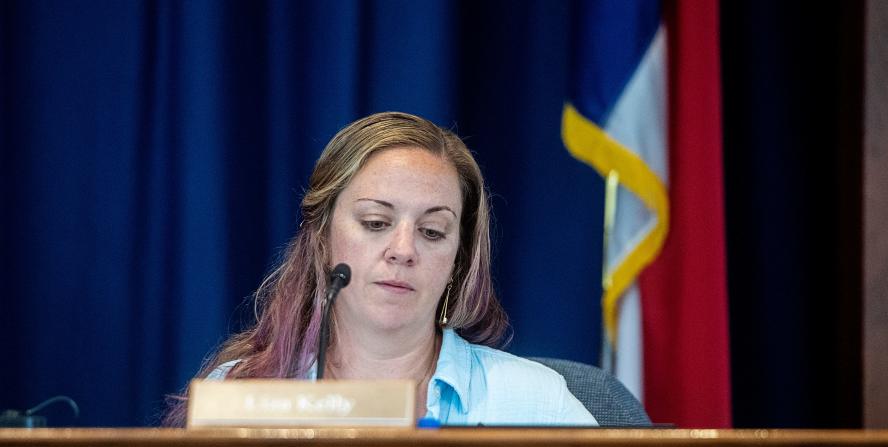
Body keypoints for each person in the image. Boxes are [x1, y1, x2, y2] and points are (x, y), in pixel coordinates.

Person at [164, 112, 596, 427]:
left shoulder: (535, 404)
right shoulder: (243, 396)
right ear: (322, 237)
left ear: (458, 260)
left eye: (431, 231)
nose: (403, 250)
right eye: (376, 223)